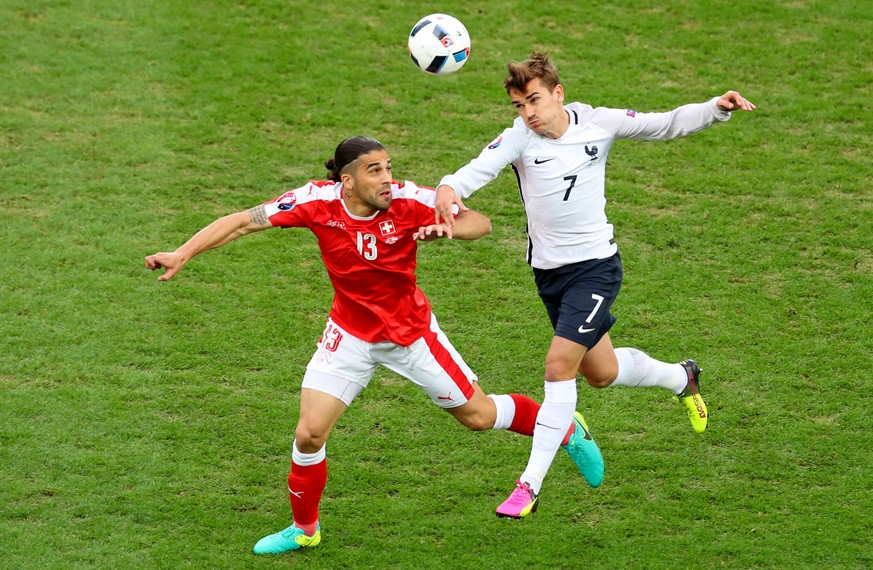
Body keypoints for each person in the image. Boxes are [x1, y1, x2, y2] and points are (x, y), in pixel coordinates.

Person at [145, 136, 604, 554]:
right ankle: (305, 529)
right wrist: (182, 253)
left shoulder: (410, 200)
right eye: (375, 171)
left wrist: (449, 227)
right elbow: (242, 222)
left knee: (480, 417)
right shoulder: (314, 202)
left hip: (410, 336)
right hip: (348, 336)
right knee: (309, 433)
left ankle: (562, 427)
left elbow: (480, 223)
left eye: (388, 167)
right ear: (347, 181)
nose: (387, 179)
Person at [434, 52, 757, 518]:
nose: (528, 112)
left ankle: (529, 485)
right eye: (519, 105)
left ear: (558, 94)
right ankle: (680, 377)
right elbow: (475, 171)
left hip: (596, 268)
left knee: (558, 366)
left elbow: (663, 123)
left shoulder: (599, 123)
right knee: (599, 372)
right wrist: (449, 188)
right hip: (550, 275)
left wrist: (716, 108)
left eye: (535, 100)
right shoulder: (520, 139)